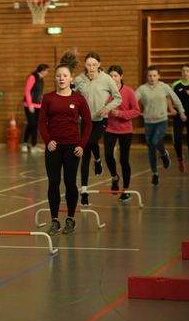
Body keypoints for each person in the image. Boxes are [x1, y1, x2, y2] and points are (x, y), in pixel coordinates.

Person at [39, 52, 92, 236]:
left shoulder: (78, 99)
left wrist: (82, 145)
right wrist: (48, 141)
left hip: (72, 148)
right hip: (53, 148)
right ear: (55, 78)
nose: (61, 78)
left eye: (65, 76)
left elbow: (88, 123)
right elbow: (41, 123)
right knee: (53, 183)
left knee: (70, 183)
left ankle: (70, 218)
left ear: (71, 78)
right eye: (58, 75)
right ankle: (54, 220)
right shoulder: (48, 98)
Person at [74, 52, 122, 206]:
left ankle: (98, 160)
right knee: (84, 154)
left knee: (89, 143)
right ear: (85, 65)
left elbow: (117, 98)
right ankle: (84, 191)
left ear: (99, 64)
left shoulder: (107, 79)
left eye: (94, 64)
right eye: (88, 65)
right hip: (85, 121)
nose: (91, 67)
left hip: (101, 120)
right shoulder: (79, 80)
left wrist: (107, 108)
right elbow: (73, 96)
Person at [135, 65, 186, 185]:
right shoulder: (142, 89)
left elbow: (176, 100)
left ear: (159, 76)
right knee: (151, 149)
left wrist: (182, 112)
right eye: (150, 76)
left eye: (154, 75)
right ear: (147, 76)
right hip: (148, 122)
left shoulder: (164, 87)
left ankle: (163, 153)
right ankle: (155, 173)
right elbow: (132, 100)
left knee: (155, 140)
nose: (152, 78)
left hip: (161, 121)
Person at [104, 65, 141, 202]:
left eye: (115, 75)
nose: (113, 78)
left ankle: (125, 190)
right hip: (109, 129)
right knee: (108, 155)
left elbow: (136, 111)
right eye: (111, 76)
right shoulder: (106, 92)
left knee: (124, 160)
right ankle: (114, 177)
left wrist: (121, 114)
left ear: (121, 77)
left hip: (125, 130)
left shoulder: (128, 91)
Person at [22, 64, 49, 153]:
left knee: (34, 125)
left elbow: (39, 93)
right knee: (31, 124)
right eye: (47, 71)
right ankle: (25, 144)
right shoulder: (32, 77)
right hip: (29, 105)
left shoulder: (41, 79)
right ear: (42, 70)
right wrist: (30, 105)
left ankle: (33, 145)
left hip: (38, 106)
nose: (47, 72)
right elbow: (27, 91)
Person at [171, 63, 189, 173]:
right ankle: (180, 158)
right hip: (179, 115)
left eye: (187, 71)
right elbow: (168, 97)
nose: (185, 73)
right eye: (183, 71)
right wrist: (171, 109)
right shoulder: (176, 85)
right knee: (177, 138)